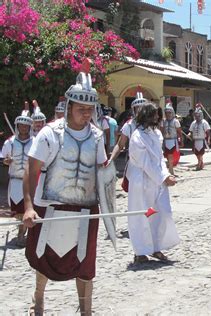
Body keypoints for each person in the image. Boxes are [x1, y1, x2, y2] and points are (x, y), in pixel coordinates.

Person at [22, 60, 107, 315]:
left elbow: (101, 172)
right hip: (51, 207)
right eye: (81, 108)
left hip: (85, 208)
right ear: (70, 107)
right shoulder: (49, 133)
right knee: (44, 257)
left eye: (89, 109)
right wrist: (28, 207)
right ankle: (38, 301)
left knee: (85, 262)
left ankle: (86, 310)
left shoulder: (98, 136)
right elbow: (31, 169)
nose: (86, 114)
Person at [127, 102, 180, 263]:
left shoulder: (157, 134)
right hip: (141, 181)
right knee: (142, 215)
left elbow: (159, 159)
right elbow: (145, 163)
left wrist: (166, 175)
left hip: (157, 181)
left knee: (162, 212)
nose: (157, 117)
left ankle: (156, 247)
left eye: (158, 114)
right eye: (154, 114)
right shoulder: (137, 136)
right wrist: (163, 177)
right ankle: (141, 251)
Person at [2, 105, 33, 247]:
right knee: (18, 210)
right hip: (15, 180)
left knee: (28, 207)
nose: (24, 128)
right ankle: (21, 233)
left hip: (30, 181)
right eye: (21, 126)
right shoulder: (10, 142)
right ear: (18, 126)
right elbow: (3, 158)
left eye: (26, 126)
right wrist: (7, 161)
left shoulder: (35, 142)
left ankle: (23, 233)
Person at [161, 101, 183, 175]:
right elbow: (160, 131)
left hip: (173, 141)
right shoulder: (163, 121)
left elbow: (179, 132)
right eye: (166, 112)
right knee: (167, 156)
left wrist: (181, 141)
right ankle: (170, 169)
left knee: (170, 155)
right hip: (165, 141)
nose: (168, 114)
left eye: (169, 112)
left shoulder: (175, 121)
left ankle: (171, 170)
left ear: (172, 112)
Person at [188, 105, 211, 171]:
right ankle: (201, 163)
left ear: (201, 115)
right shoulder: (193, 123)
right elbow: (191, 131)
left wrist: (209, 139)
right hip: (195, 140)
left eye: (198, 115)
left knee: (200, 153)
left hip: (201, 140)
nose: (197, 117)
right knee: (197, 153)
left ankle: (199, 163)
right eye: (196, 115)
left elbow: (208, 132)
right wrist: (189, 134)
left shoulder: (204, 122)